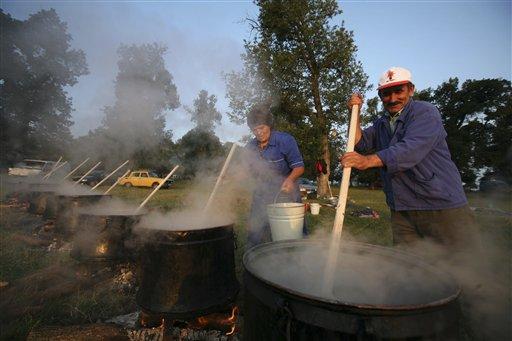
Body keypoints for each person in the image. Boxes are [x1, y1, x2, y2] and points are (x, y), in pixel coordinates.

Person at [341, 66, 477, 249]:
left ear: (411, 89)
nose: (393, 98)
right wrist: (354, 113)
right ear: (380, 96)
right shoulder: (382, 123)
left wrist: (366, 161)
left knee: (458, 263)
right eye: (386, 94)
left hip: (439, 204)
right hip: (402, 208)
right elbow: (360, 143)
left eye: (399, 91)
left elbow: (410, 149)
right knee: (407, 265)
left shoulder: (425, 113)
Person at [245, 104, 305, 248]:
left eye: (262, 128)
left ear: (270, 126)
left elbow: (299, 167)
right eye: (255, 130)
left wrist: (290, 179)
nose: (259, 133)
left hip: (286, 192)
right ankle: (254, 262)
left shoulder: (285, 141)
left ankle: (297, 261)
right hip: (261, 193)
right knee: (255, 233)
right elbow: (245, 170)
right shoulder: (250, 147)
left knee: (292, 234)